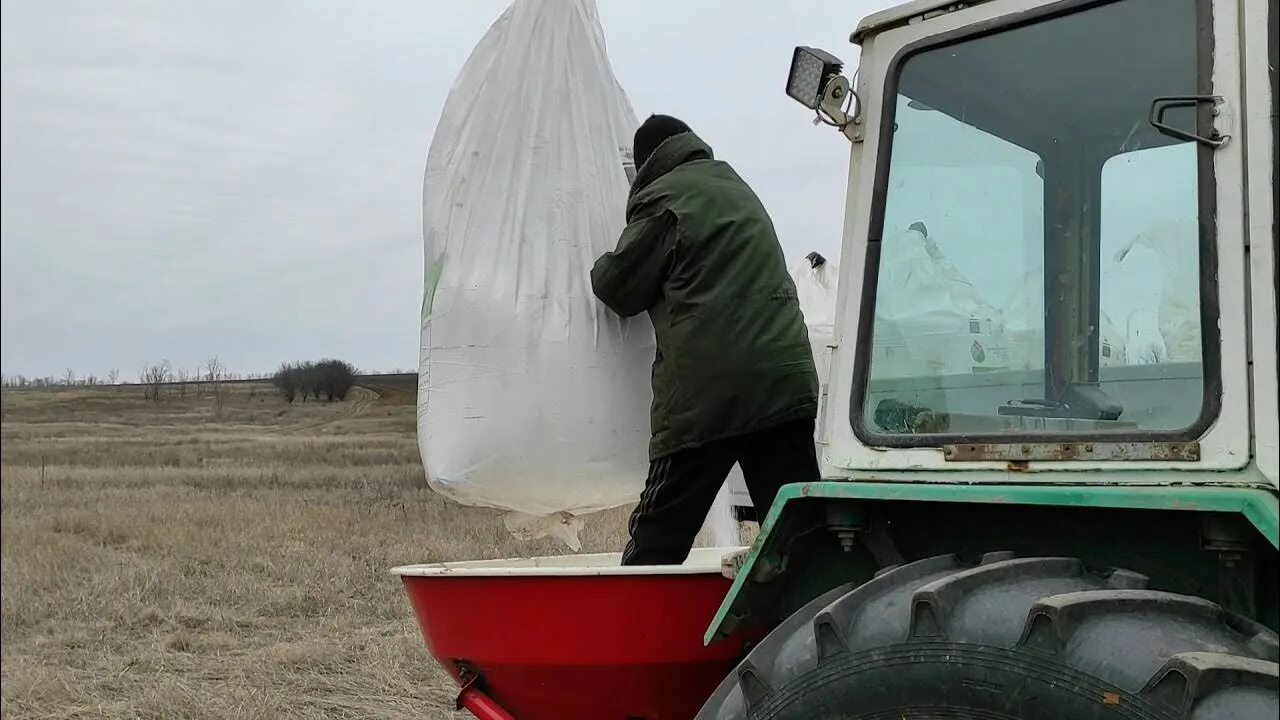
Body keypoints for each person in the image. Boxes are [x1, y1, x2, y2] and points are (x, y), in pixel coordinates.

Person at [591, 114, 820, 565]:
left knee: (658, 539)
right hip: (785, 381)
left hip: (710, 393)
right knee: (799, 540)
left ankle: (635, 629)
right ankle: (809, 626)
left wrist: (592, 252)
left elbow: (617, 287)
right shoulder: (733, 184)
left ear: (646, 166)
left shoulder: (665, 199)